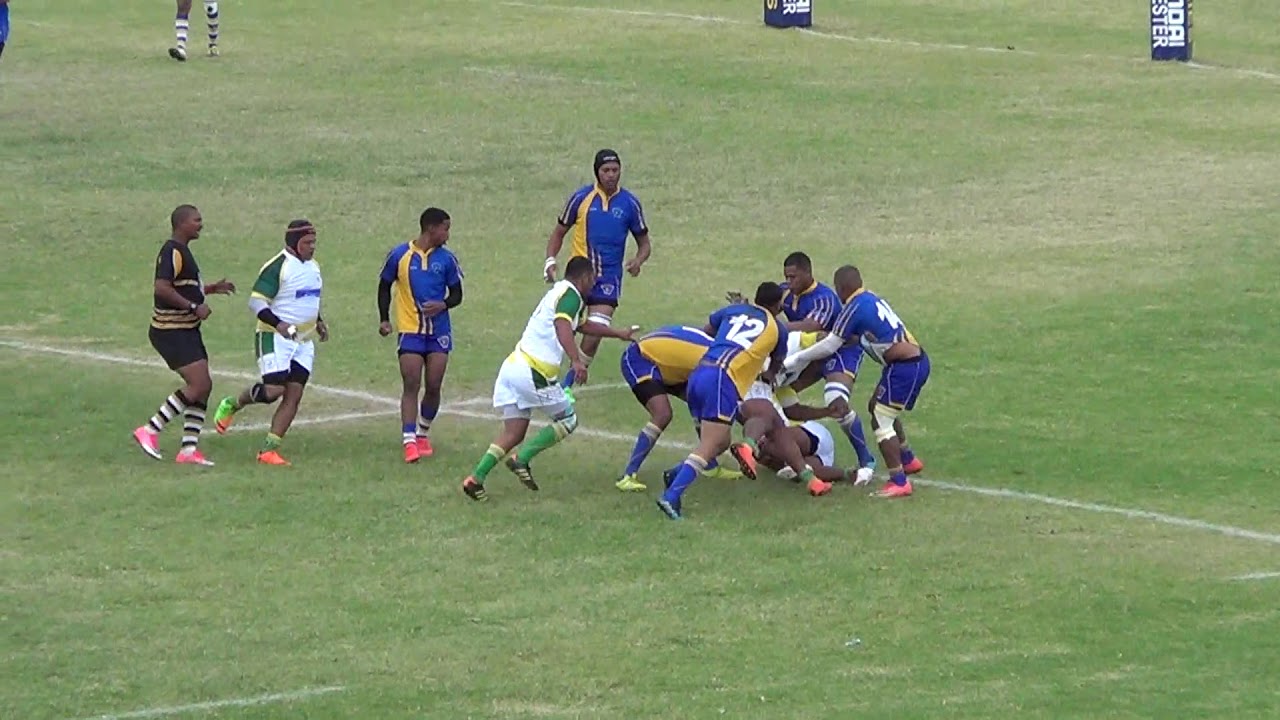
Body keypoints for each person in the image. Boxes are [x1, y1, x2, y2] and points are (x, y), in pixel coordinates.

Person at [462, 256, 637, 501]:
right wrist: (576, 360)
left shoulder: (559, 293)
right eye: (593, 280)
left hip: (513, 366)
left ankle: (475, 479)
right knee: (568, 419)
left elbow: (582, 326)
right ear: (584, 277)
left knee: (514, 432)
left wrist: (618, 333)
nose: (594, 285)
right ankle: (520, 459)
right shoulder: (572, 295)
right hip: (533, 372)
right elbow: (562, 326)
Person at [657, 282, 822, 520]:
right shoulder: (777, 328)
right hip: (723, 380)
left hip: (698, 374)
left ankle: (677, 474)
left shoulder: (732, 310)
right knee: (711, 445)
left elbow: (706, 331)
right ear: (778, 305)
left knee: (720, 441)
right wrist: (766, 374)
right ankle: (671, 496)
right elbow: (776, 365)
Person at [783, 265, 930, 497]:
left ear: (841, 288)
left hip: (905, 367)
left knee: (882, 420)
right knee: (877, 407)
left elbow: (831, 344)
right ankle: (908, 459)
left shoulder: (854, 307)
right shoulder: (870, 298)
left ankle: (899, 481)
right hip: (910, 362)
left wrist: (794, 361)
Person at [211, 220, 328, 465]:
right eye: (307, 243)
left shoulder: (313, 267)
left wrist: (318, 321)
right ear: (294, 243)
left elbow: (307, 299)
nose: (312, 247)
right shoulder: (278, 267)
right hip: (274, 338)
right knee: (275, 390)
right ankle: (233, 404)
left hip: (303, 342)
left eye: (314, 242)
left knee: (294, 394)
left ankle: (268, 450)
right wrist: (279, 325)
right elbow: (256, 302)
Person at [132, 205, 236, 465]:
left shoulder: (183, 252)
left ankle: (188, 451)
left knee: (204, 387)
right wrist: (193, 307)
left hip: (186, 330)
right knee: (198, 384)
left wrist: (211, 289)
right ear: (181, 224)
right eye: (196, 220)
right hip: (170, 330)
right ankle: (150, 430)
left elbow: (185, 286)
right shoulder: (171, 251)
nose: (201, 224)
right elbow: (162, 288)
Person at [543, 149, 651, 398]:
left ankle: (567, 387)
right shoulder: (581, 198)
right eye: (606, 171)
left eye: (615, 170)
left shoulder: (630, 204)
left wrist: (638, 261)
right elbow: (559, 232)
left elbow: (644, 243)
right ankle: (546, 376)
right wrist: (550, 260)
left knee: (594, 333)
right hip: (579, 278)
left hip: (608, 279)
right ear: (597, 172)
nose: (611, 175)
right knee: (564, 328)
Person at [378, 208, 463, 463]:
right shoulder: (399, 255)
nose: (447, 234)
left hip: (439, 332)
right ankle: (409, 442)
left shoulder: (447, 260)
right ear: (431, 229)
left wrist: (443, 305)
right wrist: (384, 319)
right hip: (410, 330)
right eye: (445, 228)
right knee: (411, 383)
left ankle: (423, 432)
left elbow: (457, 294)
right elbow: (384, 285)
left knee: (434, 385)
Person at [616, 325, 743, 491]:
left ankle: (709, 466)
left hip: (673, 366)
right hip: (641, 359)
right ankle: (628, 475)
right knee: (662, 414)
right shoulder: (717, 362)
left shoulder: (721, 354)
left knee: (703, 404)